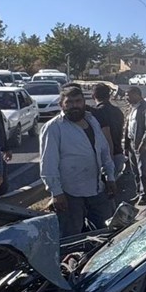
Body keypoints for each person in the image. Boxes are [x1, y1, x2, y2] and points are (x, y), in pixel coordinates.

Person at [40, 86, 117, 237]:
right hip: (70, 193)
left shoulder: (92, 120)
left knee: (105, 232)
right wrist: (56, 193)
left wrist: (110, 177)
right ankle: (72, 260)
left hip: (96, 188)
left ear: (84, 102)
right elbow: (48, 163)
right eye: (69, 102)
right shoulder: (53, 128)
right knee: (71, 236)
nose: (75, 105)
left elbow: (104, 151)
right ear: (61, 105)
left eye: (78, 101)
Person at [125, 86, 146, 204]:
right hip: (131, 143)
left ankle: (144, 195)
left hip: (142, 144)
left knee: (143, 170)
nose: (126, 98)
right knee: (135, 171)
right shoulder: (132, 108)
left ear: (137, 95)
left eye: (129, 95)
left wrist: (144, 144)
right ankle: (138, 192)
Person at [92, 84, 126, 177]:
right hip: (118, 153)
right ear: (109, 96)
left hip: (103, 157)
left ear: (93, 96)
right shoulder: (118, 111)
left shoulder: (95, 113)